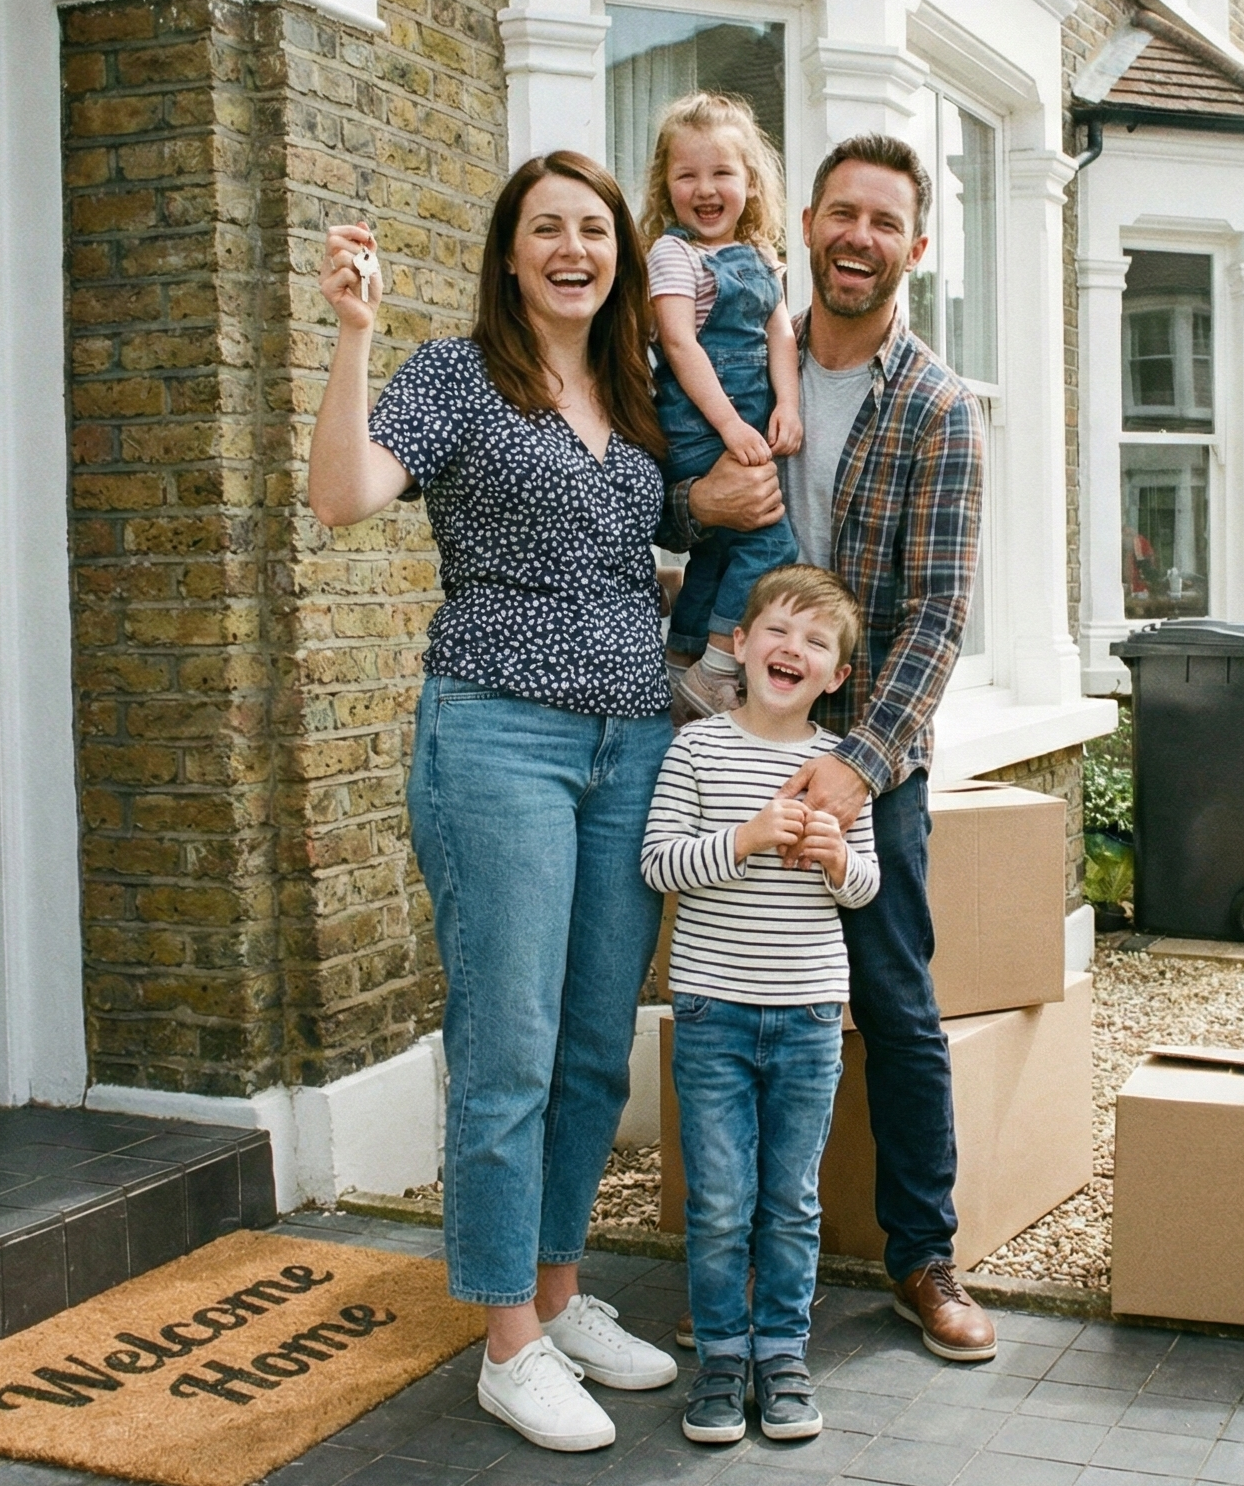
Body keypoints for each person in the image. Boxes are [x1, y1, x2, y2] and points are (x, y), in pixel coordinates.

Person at [307, 152, 679, 1455]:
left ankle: (562, 1292)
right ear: (511, 255)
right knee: (510, 1042)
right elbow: (342, 495)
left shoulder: (633, 393)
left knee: (590, 1042)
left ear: (616, 255)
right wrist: (352, 337)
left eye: (593, 228)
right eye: (547, 230)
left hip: (627, 742)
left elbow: (616, 566)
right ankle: (506, 1336)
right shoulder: (455, 375)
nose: (573, 247)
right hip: (498, 741)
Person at [661, 134, 998, 1361]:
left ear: (914, 248)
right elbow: (658, 505)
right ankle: (720, 1253)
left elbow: (939, 616)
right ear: (804, 224)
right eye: (840, 213)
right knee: (710, 987)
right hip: (721, 733)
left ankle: (923, 1257)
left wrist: (855, 769)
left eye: (884, 222)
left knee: (896, 1002)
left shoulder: (938, 408)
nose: (858, 237)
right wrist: (695, 506)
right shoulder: (741, 357)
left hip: (862, 753)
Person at [641, 565, 879, 1444]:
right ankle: (722, 1362)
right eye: (778, 631)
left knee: (789, 1199)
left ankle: (783, 1355)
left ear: (837, 676)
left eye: (818, 643)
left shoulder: (842, 774)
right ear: (739, 645)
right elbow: (659, 864)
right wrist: (744, 839)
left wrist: (832, 857)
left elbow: (867, 889)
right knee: (718, 1200)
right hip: (713, 1014)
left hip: (811, 1015)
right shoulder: (697, 749)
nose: (795, 650)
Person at [643, 92, 804, 720]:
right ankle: (716, 671)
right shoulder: (673, 255)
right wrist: (733, 425)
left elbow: (780, 335)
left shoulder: (763, 258)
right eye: (687, 175)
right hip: (701, 428)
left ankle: (680, 659)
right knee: (770, 546)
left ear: (749, 182)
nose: (704, 189)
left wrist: (786, 404)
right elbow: (679, 343)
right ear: (667, 184)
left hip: (745, 426)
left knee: (719, 552)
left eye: (721, 174)